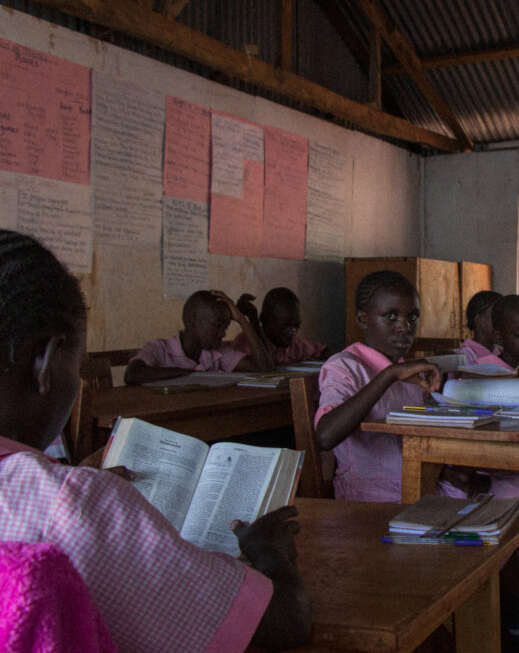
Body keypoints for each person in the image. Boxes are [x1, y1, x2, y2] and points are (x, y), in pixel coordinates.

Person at [0, 229, 310, 651]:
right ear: (46, 362)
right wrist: (269, 551)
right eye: (79, 360)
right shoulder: (74, 506)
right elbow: (285, 623)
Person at [314, 272, 519, 651]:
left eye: (412, 317)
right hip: (379, 498)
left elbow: (424, 433)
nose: (404, 328)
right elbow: (326, 433)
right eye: (390, 317)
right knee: (501, 533)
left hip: (431, 485)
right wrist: (391, 374)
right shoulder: (345, 366)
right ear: (363, 318)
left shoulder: (413, 370)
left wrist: (458, 470)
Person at [124, 289, 274, 385]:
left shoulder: (216, 353)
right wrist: (192, 375)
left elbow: (263, 369)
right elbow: (132, 374)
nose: (222, 333)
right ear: (192, 320)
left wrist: (242, 319)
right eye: (216, 325)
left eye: (225, 327)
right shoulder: (160, 348)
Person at [234, 287, 329, 365]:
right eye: (285, 325)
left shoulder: (295, 345)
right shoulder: (247, 342)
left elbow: (323, 350)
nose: (292, 331)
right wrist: (253, 320)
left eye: (296, 325)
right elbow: (262, 366)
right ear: (264, 319)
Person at [458, 289, 503, 365]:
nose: (502, 322)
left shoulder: (497, 351)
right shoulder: (466, 355)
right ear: (479, 320)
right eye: (496, 317)